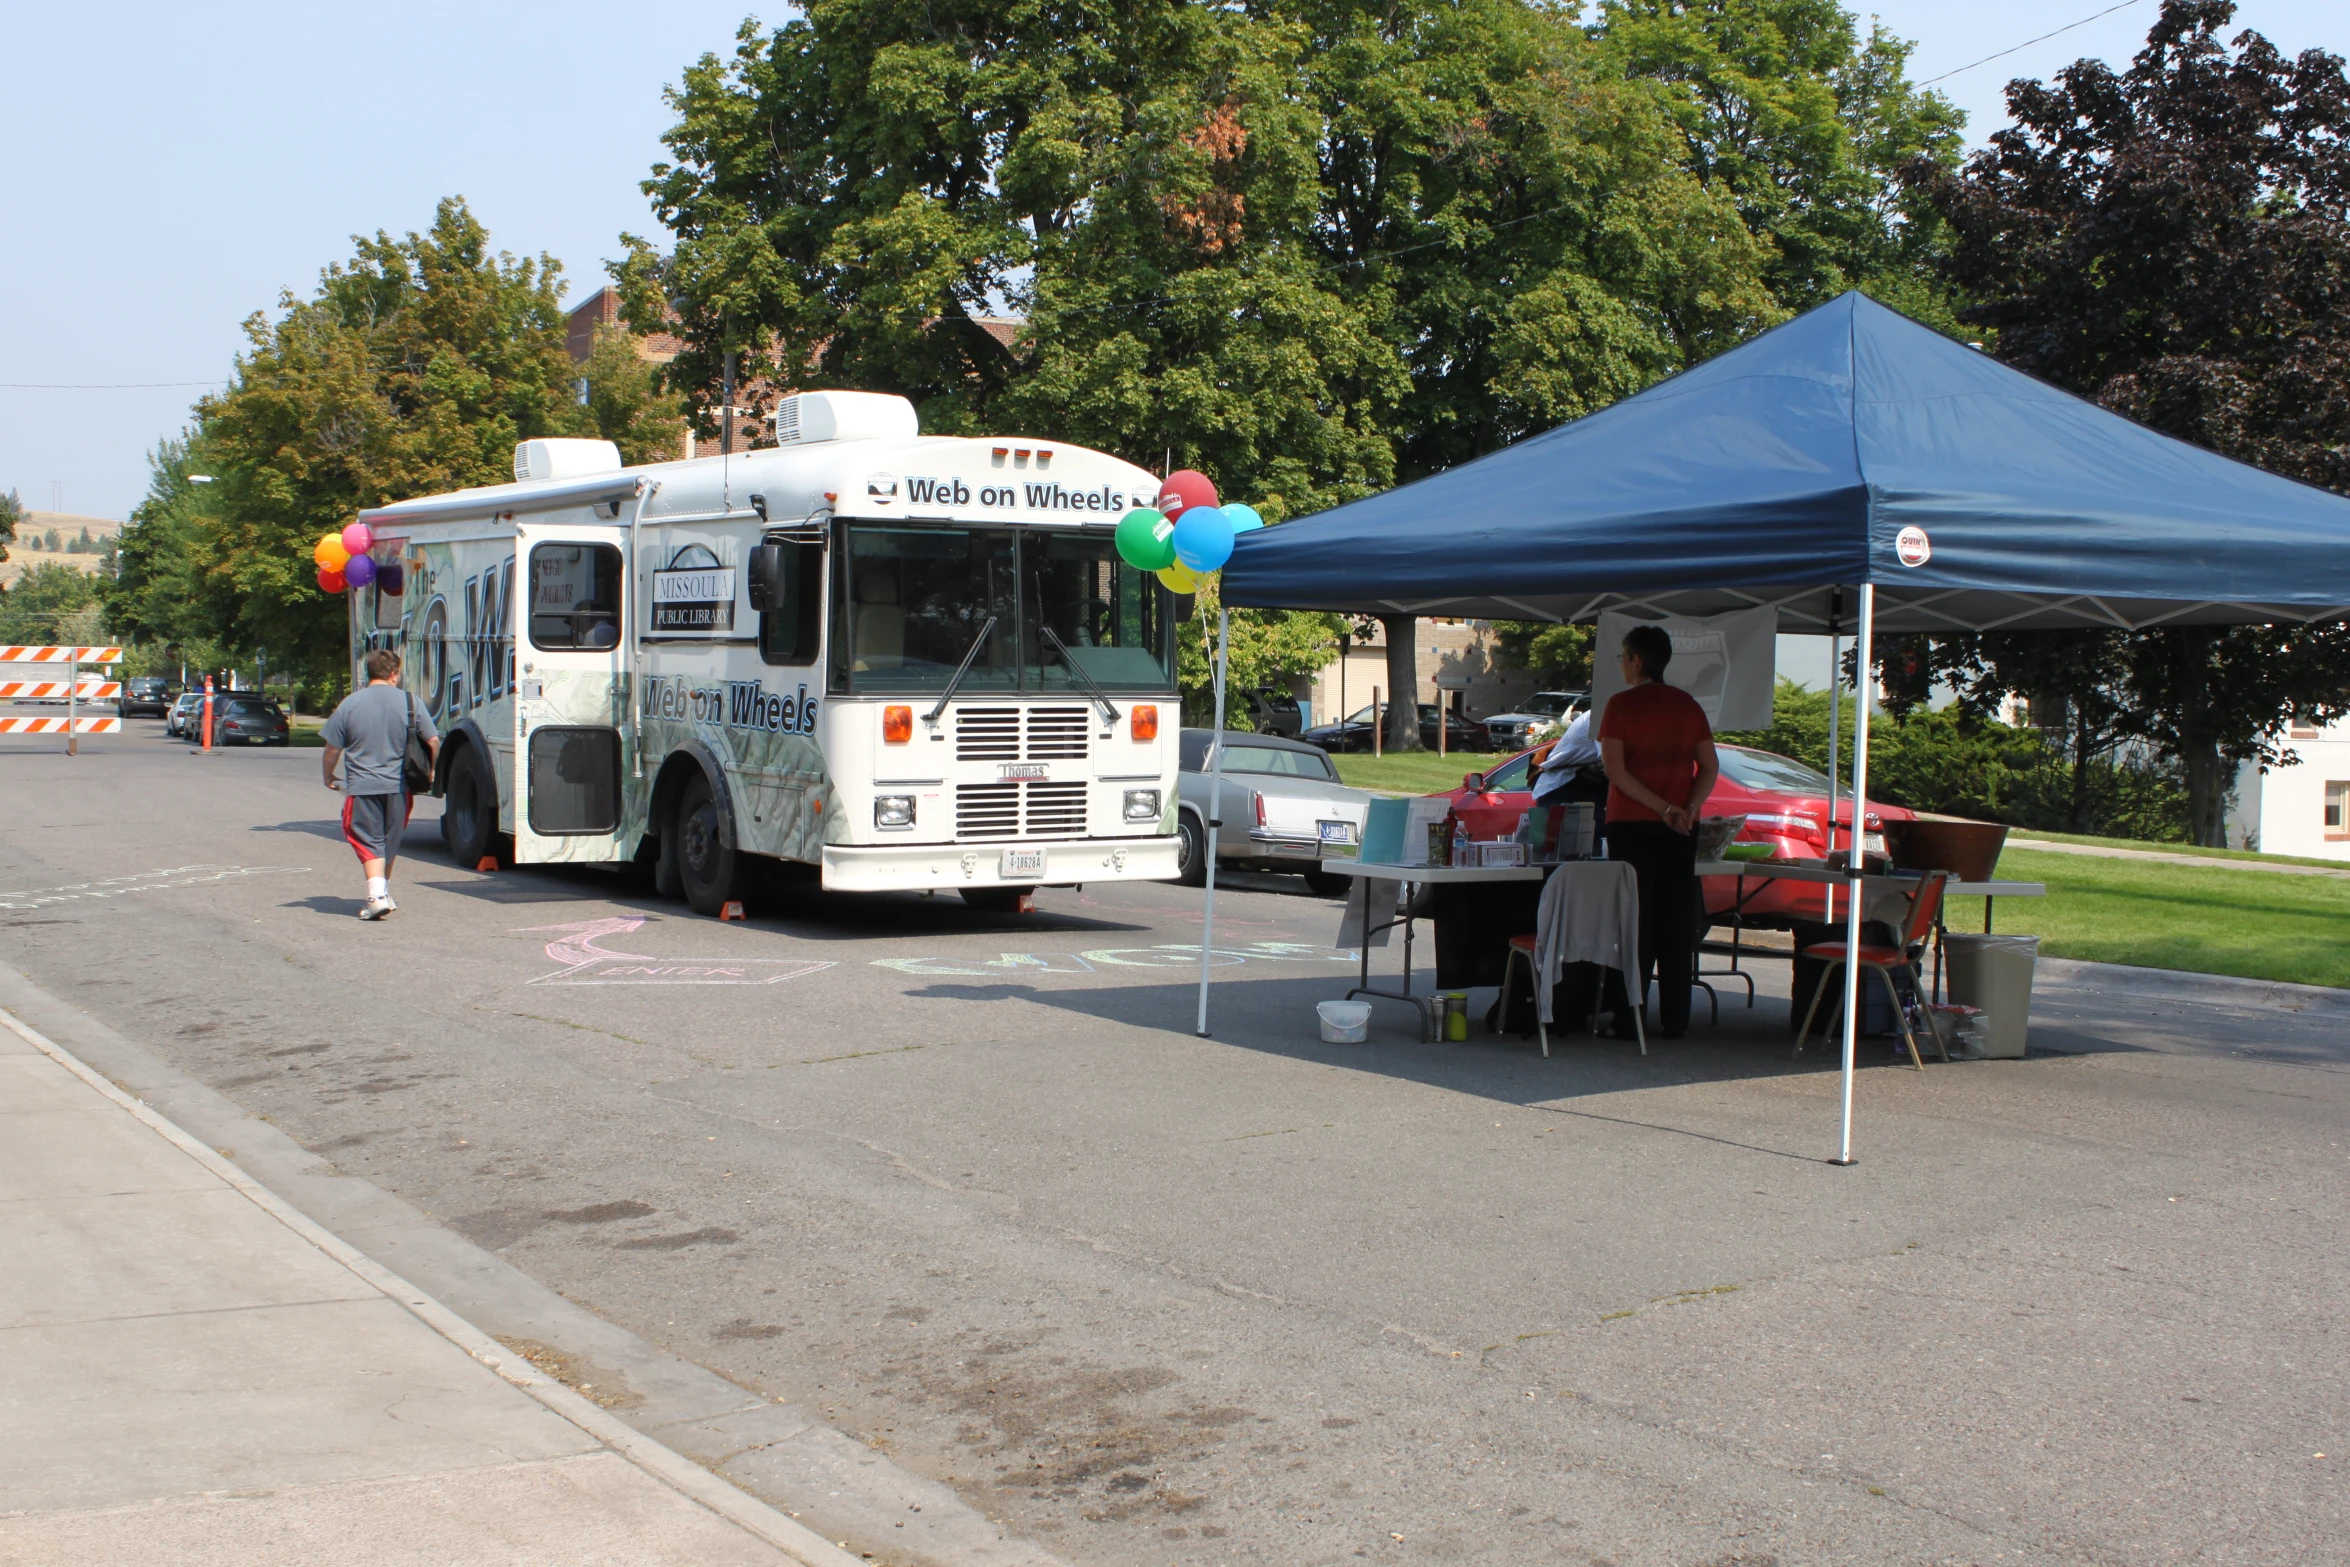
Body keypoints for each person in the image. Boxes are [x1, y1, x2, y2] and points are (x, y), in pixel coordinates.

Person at [1597, 624, 1719, 1038]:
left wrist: (1663, 807)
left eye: (1623, 657)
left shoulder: (1620, 705)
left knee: (1633, 920)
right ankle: (1676, 1017)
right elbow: (1710, 767)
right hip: (1680, 828)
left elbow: (1615, 769)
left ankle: (1630, 1016)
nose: (1623, 665)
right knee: (1674, 917)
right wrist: (1686, 809)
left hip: (1632, 823)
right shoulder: (1688, 705)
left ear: (1636, 661)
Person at [321, 649, 438, 920]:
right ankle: (382, 892)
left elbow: (332, 748)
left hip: (363, 787)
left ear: (369, 673)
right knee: (387, 843)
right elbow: (432, 741)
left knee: (365, 839)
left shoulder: (350, 704)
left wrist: (328, 775)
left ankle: (376, 897)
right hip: (400, 787)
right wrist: (431, 771)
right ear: (393, 674)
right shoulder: (411, 702)